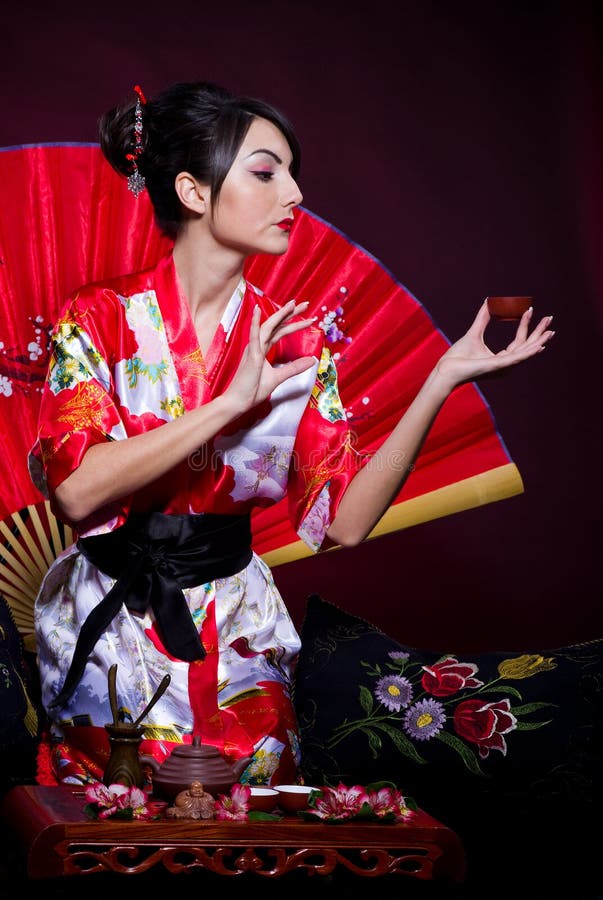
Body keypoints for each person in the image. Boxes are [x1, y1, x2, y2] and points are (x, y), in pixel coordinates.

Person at [29, 80, 554, 788]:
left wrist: (441, 379)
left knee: (257, 815)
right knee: (114, 812)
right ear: (192, 191)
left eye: (292, 174)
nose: (295, 196)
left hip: (240, 621)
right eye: (266, 172)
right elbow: (75, 490)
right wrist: (227, 405)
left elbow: (345, 522)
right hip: (116, 614)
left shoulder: (296, 337)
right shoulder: (96, 318)